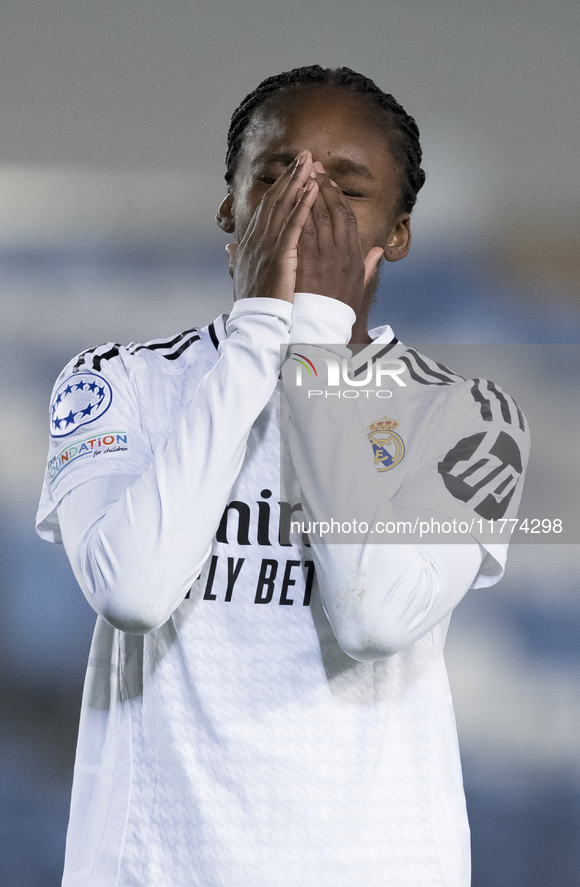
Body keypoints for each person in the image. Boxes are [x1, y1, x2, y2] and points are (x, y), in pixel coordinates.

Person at [36, 65, 529, 887]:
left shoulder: (472, 416)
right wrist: (258, 334)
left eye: (346, 187)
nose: (308, 208)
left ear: (396, 234)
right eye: (275, 176)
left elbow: (372, 615)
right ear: (229, 205)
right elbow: (132, 591)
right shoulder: (118, 383)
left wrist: (319, 348)